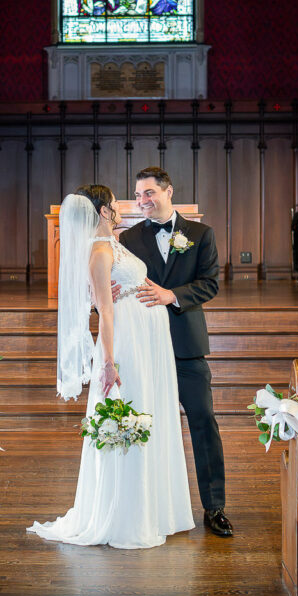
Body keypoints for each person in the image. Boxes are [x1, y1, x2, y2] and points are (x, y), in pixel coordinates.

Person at [27, 185, 194, 549]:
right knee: (130, 412)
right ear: (103, 211)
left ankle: (155, 508)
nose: (120, 206)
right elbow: (104, 313)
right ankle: (127, 515)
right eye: (115, 202)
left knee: (150, 411)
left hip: (148, 340)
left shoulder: (113, 243)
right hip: (127, 345)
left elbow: (123, 287)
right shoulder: (99, 252)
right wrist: (108, 363)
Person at [116, 166, 232, 537]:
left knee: (203, 421)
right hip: (144, 344)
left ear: (168, 191)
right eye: (137, 195)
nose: (142, 200)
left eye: (149, 193)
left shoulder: (200, 234)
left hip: (186, 344)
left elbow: (209, 284)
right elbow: (119, 282)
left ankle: (214, 508)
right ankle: (147, 507)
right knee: (146, 423)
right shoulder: (130, 237)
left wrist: (173, 296)